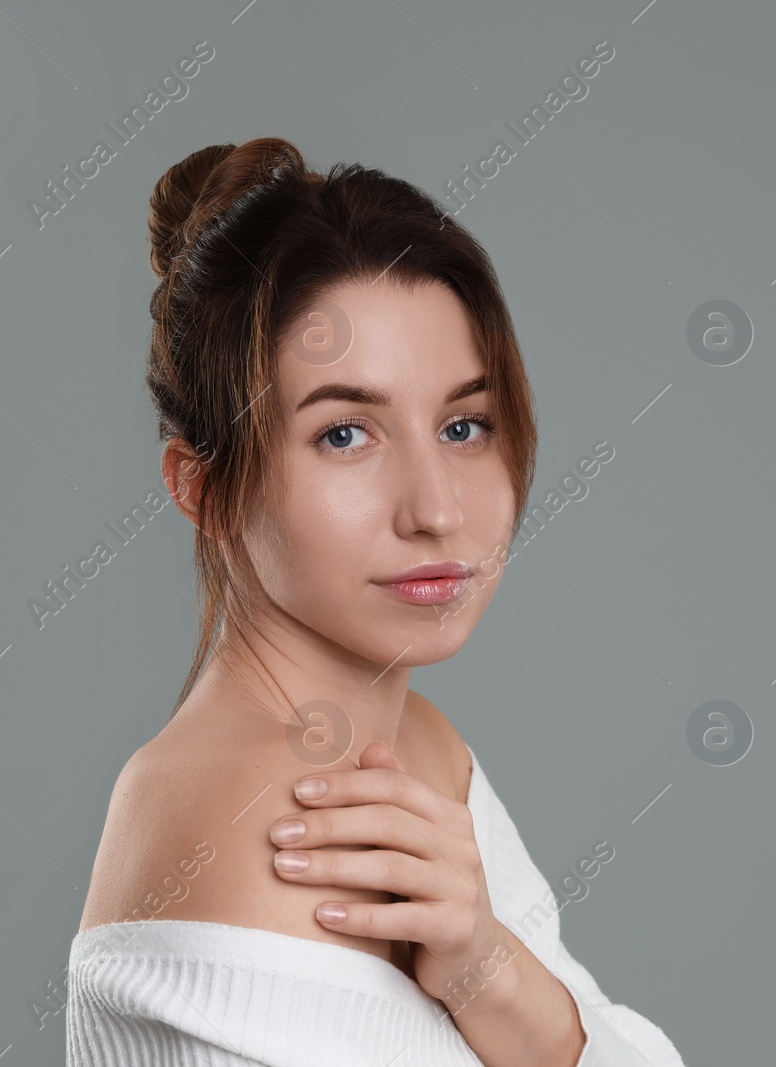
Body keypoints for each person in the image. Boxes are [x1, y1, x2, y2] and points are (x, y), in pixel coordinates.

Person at [64, 136, 685, 1067]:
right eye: (346, 433)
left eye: (464, 424)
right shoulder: (266, 817)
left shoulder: (416, 746)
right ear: (200, 486)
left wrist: (487, 965)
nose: (437, 509)